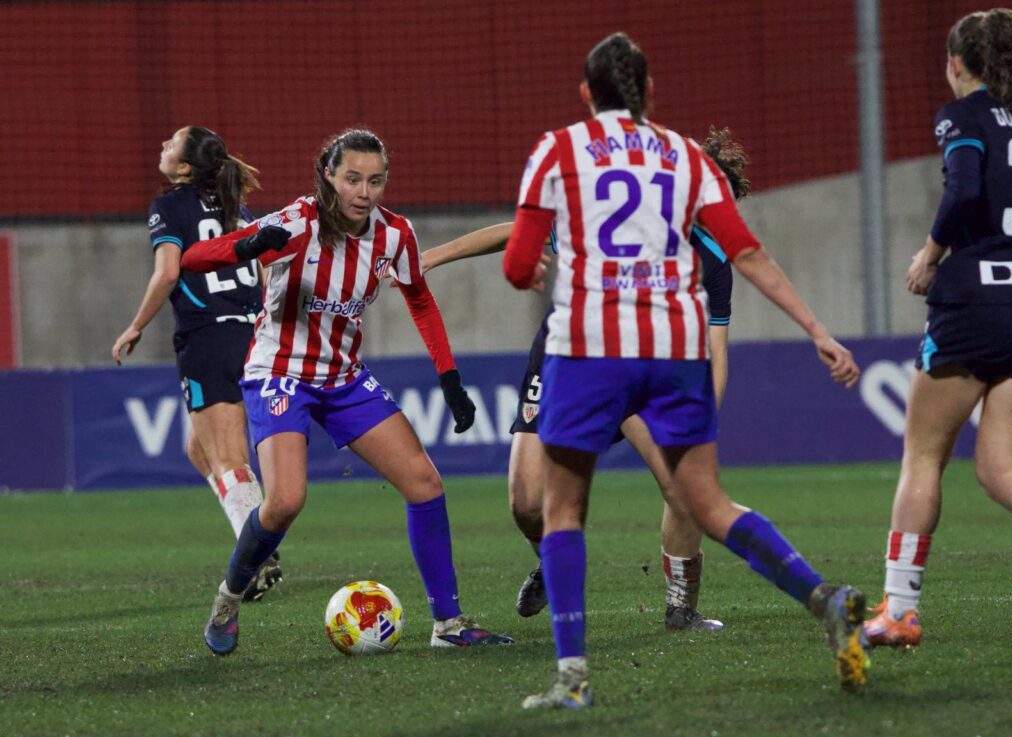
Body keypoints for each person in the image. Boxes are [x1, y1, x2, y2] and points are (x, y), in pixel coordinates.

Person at [503, 33, 864, 709]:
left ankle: (573, 678)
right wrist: (817, 330)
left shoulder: (556, 150)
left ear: (586, 94)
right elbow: (747, 252)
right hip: (676, 347)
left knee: (561, 509)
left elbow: (519, 265)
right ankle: (825, 596)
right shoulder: (687, 155)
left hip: (589, 349)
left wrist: (538, 271)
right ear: (651, 93)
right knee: (708, 502)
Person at [179, 128, 513, 655]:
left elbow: (420, 301)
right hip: (279, 374)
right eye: (353, 179)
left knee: (425, 484)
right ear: (329, 176)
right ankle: (229, 597)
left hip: (343, 377)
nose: (365, 192)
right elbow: (194, 258)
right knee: (285, 501)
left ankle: (448, 626)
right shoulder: (296, 223)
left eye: (375, 181)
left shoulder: (394, 235)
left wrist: (449, 378)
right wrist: (246, 245)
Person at [419, 127, 749, 632]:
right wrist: (434, 257)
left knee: (685, 488)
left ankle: (681, 608)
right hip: (565, 359)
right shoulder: (616, 217)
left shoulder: (713, 261)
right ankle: (553, 563)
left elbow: (715, 351)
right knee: (526, 504)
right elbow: (519, 229)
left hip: (640, 372)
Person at [864, 8, 1012, 648]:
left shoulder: (964, 115)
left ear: (957, 63)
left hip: (975, 303)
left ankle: (899, 612)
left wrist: (930, 255)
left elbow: (961, 189)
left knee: (923, 454)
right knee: (1002, 468)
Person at [112, 127, 282, 602]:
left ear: (185, 168)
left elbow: (168, 272)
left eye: (171, 143)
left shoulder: (168, 207)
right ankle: (255, 540)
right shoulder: (237, 207)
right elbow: (268, 270)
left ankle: (258, 558)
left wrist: (136, 326)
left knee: (229, 458)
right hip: (251, 335)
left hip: (209, 337)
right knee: (199, 450)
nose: (162, 145)